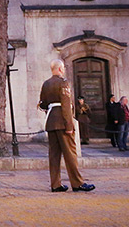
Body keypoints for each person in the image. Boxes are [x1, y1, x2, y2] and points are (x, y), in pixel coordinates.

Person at [39, 59, 94, 193]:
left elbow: (42, 104)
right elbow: (66, 105)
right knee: (70, 153)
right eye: (63, 68)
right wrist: (69, 125)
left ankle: (55, 184)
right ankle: (77, 183)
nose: (63, 70)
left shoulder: (46, 84)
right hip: (62, 122)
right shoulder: (63, 83)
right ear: (60, 69)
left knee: (54, 154)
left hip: (51, 121)